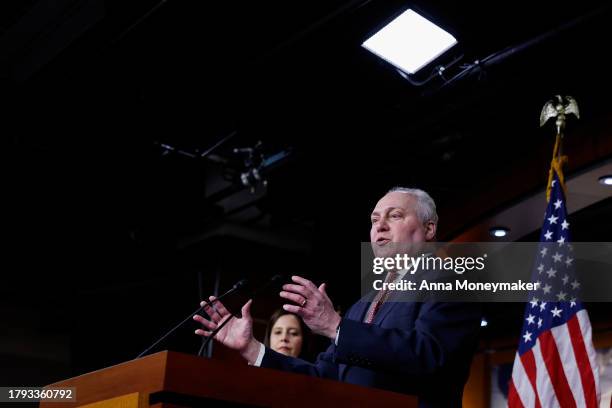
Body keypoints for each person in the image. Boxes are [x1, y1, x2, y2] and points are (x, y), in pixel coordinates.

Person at [194, 187, 482, 407]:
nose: (379, 226)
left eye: (394, 216)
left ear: (429, 228)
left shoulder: (453, 280)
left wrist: (336, 327)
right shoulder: (363, 305)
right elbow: (322, 378)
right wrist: (253, 349)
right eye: (374, 220)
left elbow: (429, 357)